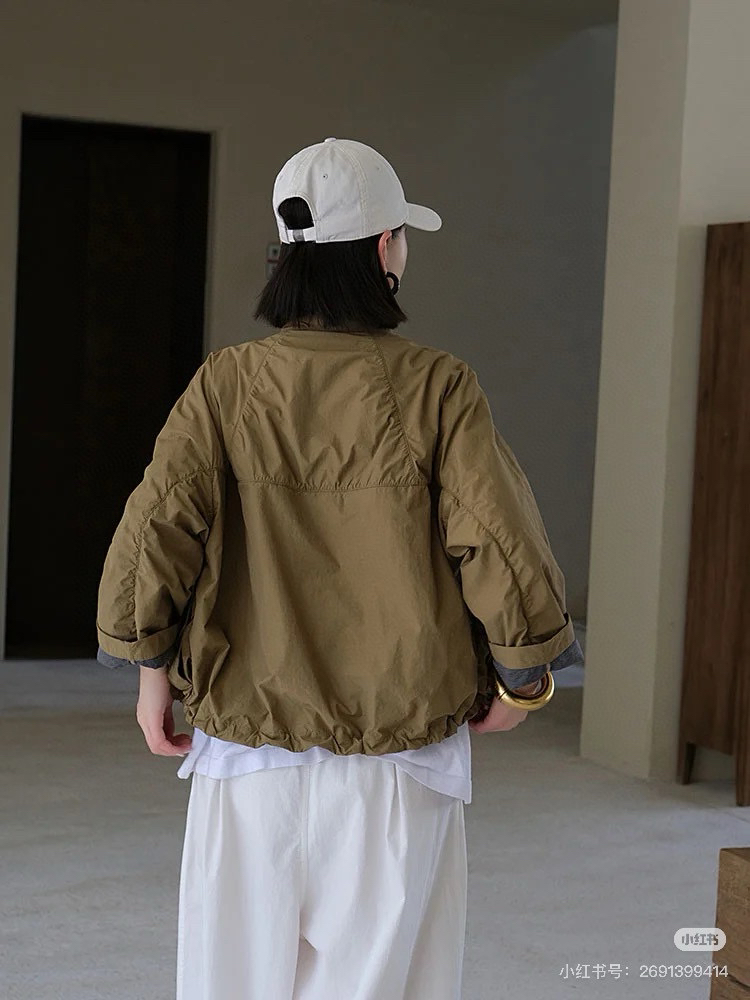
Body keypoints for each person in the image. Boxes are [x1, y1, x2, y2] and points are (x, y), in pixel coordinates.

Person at [96, 137, 584, 1000]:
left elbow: (155, 532)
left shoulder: (225, 383)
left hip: (247, 755)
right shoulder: (439, 386)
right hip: (401, 759)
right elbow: (499, 542)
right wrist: (523, 679)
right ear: (386, 246)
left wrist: (150, 678)